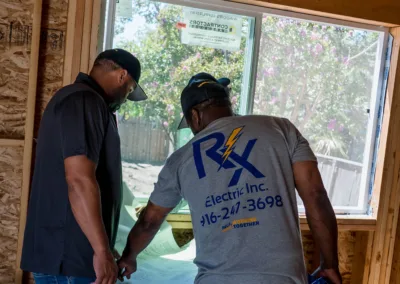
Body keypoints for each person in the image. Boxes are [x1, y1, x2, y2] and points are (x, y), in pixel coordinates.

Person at [117, 72, 342, 284]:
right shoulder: (281, 128)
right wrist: (330, 265)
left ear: (194, 116)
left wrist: (129, 256)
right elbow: (315, 196)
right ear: (227, 105)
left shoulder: (181, 159)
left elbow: (150, 221)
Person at [21, 49, 147, 284]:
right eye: (129, 90)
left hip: (67, 255)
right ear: (122, 76)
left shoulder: (80, 100)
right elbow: (79, 180)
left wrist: (105, 249)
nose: (124, 99)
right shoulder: (84, 101)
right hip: (71, 258)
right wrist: (100, 251)